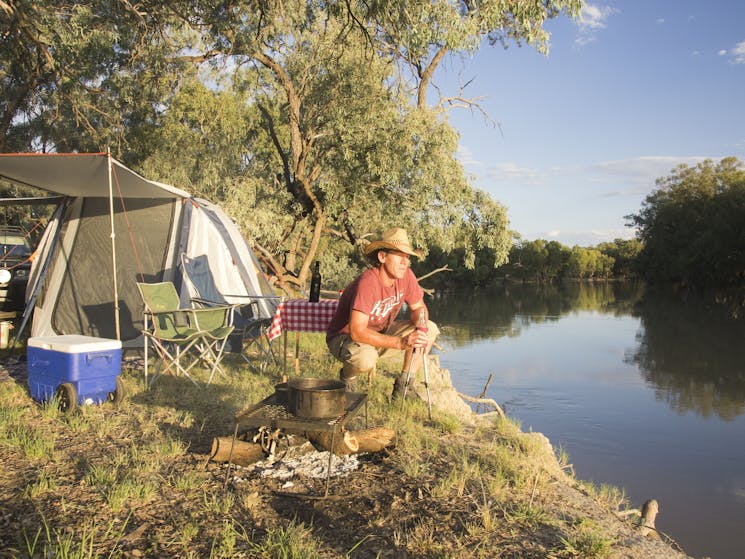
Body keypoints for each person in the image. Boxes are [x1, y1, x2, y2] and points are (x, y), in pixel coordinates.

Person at [326, 227, 439, 398]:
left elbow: (419, 307)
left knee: (429, 329)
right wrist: (400, 343)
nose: (405, 262)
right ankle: (347, 379)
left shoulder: (406, 276)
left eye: (407, 257)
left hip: (378, 335)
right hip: (345, 339)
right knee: (366, 358)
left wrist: (420, 326)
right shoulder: (368, 282)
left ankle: (404, 385)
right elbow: (357, 331)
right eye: (399, 256)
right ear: (382, 257)